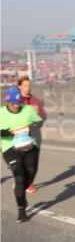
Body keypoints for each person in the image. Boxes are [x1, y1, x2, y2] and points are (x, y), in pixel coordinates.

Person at [1, 86, 43, 223]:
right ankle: (21, 210)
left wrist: (33, 126)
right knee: (20, 177)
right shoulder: (1, 114)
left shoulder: (28, 110)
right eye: (13, 103)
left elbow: (39, 121)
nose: (16, 105)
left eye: (18, 102)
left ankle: (21, 186)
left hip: (29, 147)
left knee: (29, 177)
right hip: (10, 149)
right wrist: (6, 133)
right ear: (7, 102)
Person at [17, 76, 45, 193]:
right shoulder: (15, 101)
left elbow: (43, 116)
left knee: (33, 163)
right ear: (19, 87)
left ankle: (29, 183)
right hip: (19, 136)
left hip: (34, 136)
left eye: (29, 85)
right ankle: (22, 181)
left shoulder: (36, 101)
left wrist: (36, 124)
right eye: (25, 86)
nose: (28, 88)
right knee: (22, 162)